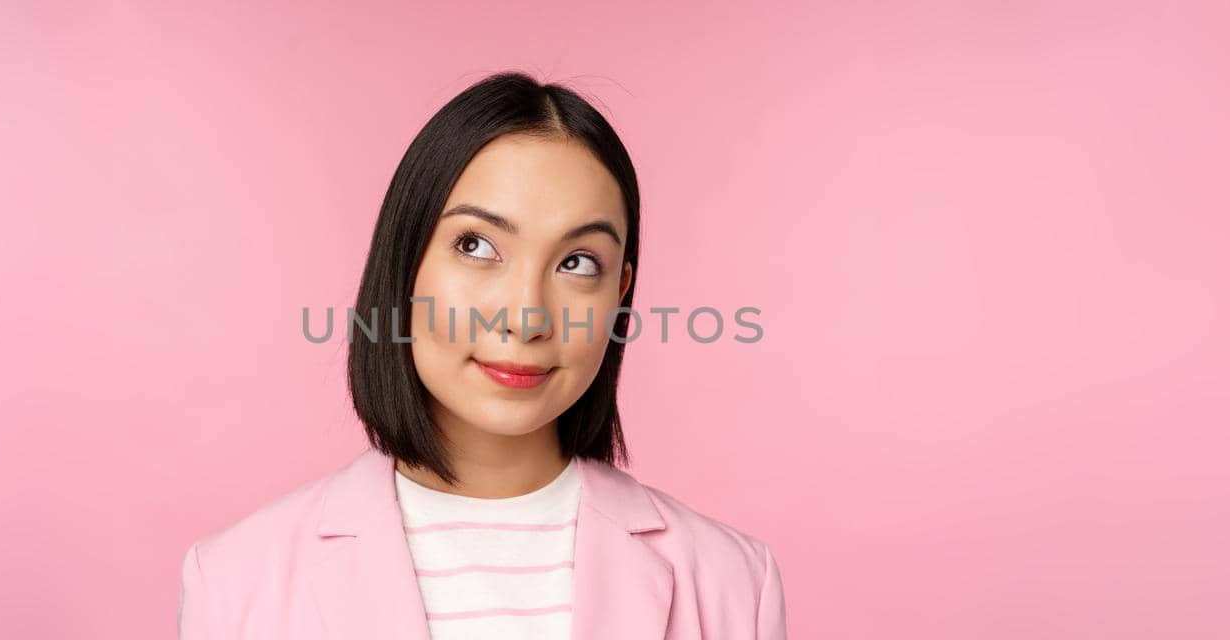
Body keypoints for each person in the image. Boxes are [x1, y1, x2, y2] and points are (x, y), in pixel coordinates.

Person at [178, 71, 787, 639]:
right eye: (476, 245)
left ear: (619, 295)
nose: (526, 317)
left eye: (578, 263)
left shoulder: (734, 582)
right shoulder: (236, 579)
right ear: (405, 260)